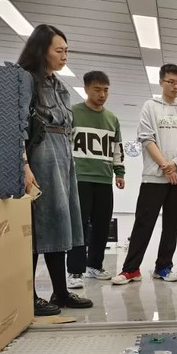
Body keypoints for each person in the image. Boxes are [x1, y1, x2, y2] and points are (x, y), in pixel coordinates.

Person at [18, 24, 93, 316]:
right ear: (42, 50)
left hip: (62, 156)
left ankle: (60, 292)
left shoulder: (59, 86)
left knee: (60, 223)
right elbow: (17, 126)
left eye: (66, 51)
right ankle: (29, 295)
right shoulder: (25, 80)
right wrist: (24, 165)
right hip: (40, 156)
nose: (65, 56)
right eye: (59, 50)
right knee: (38, 227)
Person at [111, 63, 177, 285]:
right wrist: (165, 166)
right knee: (143, 223)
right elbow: (146, 138)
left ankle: (163, 267)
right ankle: (131, 269)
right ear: (161, 82)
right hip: (153, 177)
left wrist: (175, 164)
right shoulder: (150, 106)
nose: (176, 86)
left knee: (171, 225)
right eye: (171, 82)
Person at [66, 71, 125, 289]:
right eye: (97, 89)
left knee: (102, 225)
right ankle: (75, 271)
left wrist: (119, 172)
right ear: (86, 89)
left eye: (106, 90)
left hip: (104, 179)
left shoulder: (112, 119)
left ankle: (94, 266)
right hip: (80, 178)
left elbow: (117, 149)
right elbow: (64, 145)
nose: (102, 94)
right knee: (79, 226)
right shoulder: (73, 113)